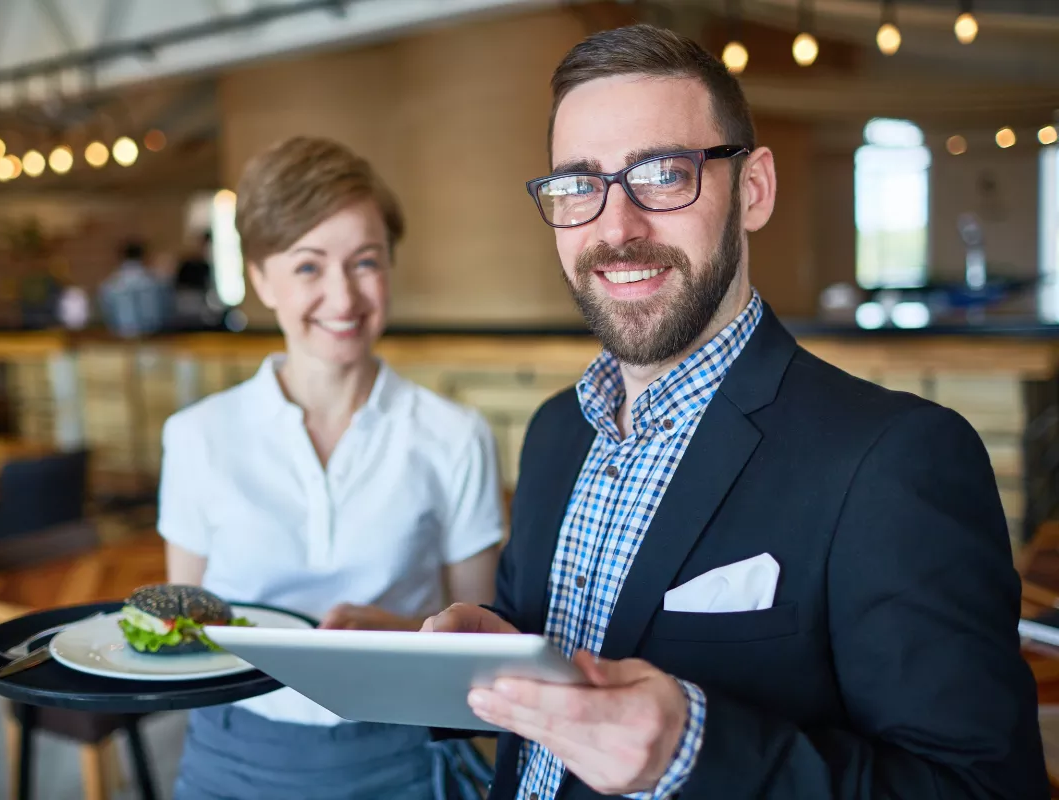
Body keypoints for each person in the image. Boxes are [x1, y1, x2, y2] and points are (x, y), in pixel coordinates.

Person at [424, 24, 1048, 800]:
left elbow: (981, 788)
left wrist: (690, 751)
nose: (615, 229)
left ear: (753, 189)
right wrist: (488, 651)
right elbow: (561, 658)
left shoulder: (895, 459)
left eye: (663, 175)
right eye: (579, 186)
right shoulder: (559, 430)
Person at [160, 136, 504, 799]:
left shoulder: (456, 437)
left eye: (365, 262)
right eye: (308, 267)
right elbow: (186, 629)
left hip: (401, 753)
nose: (343, 298)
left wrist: (397, 636)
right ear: (261, 278)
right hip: (233, 753)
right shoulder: (197, 436)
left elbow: (480, 640)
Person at [98, 240, 170, 337]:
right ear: (144, 256)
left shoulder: (110, 284)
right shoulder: (155, 282)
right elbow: (165, 311)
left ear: (121, 257)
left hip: (121, 338)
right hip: (153, 337)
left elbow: (107, 314)